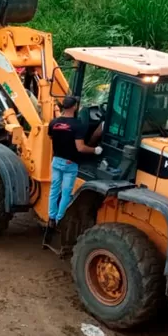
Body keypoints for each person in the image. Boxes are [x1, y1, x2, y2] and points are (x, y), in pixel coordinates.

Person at [43, 96, 102, 244]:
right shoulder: (78, 125)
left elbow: (51, 138)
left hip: (56, 161)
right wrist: (95, 150)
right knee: (66, 192)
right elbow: (80, 148)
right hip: (70, 164)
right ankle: (59, 219)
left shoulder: (54, 123)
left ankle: (51, 217)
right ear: (74, 107)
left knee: (54, 189)